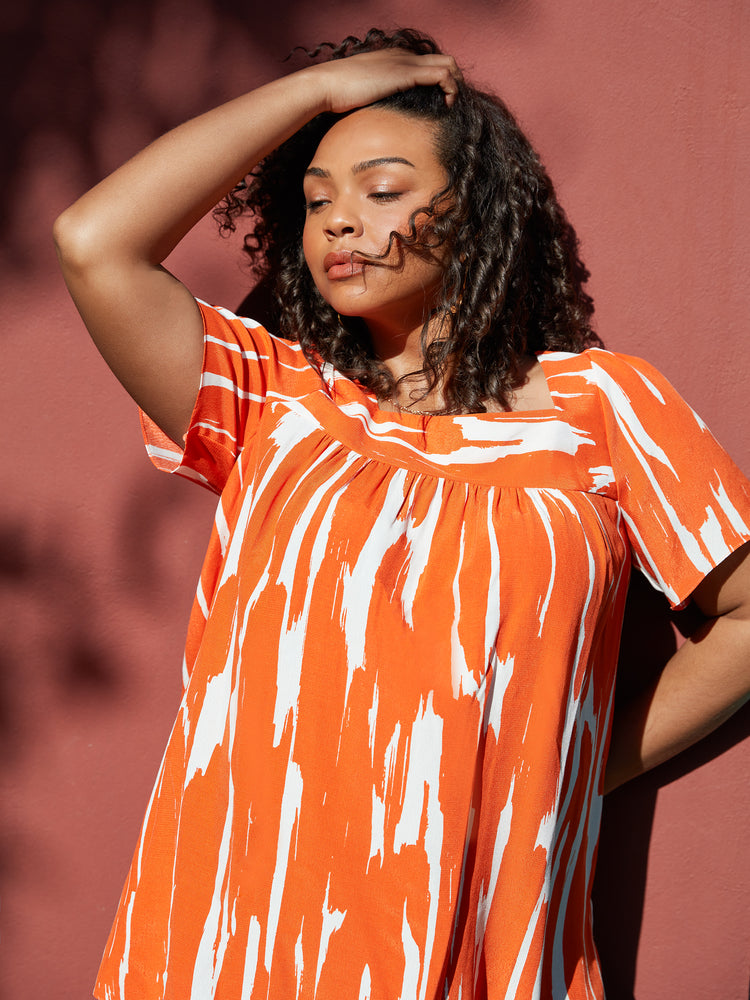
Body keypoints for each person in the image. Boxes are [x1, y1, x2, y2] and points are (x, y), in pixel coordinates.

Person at [53, 26, 750, 1000]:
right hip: (241, 934)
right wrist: (316, 91)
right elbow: (93, 243)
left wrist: (581, 766)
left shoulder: (604, 407)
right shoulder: (273, 403)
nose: (340, 221)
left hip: (479, 943)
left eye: (381, 190)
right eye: (316, 200)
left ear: (478, 212)